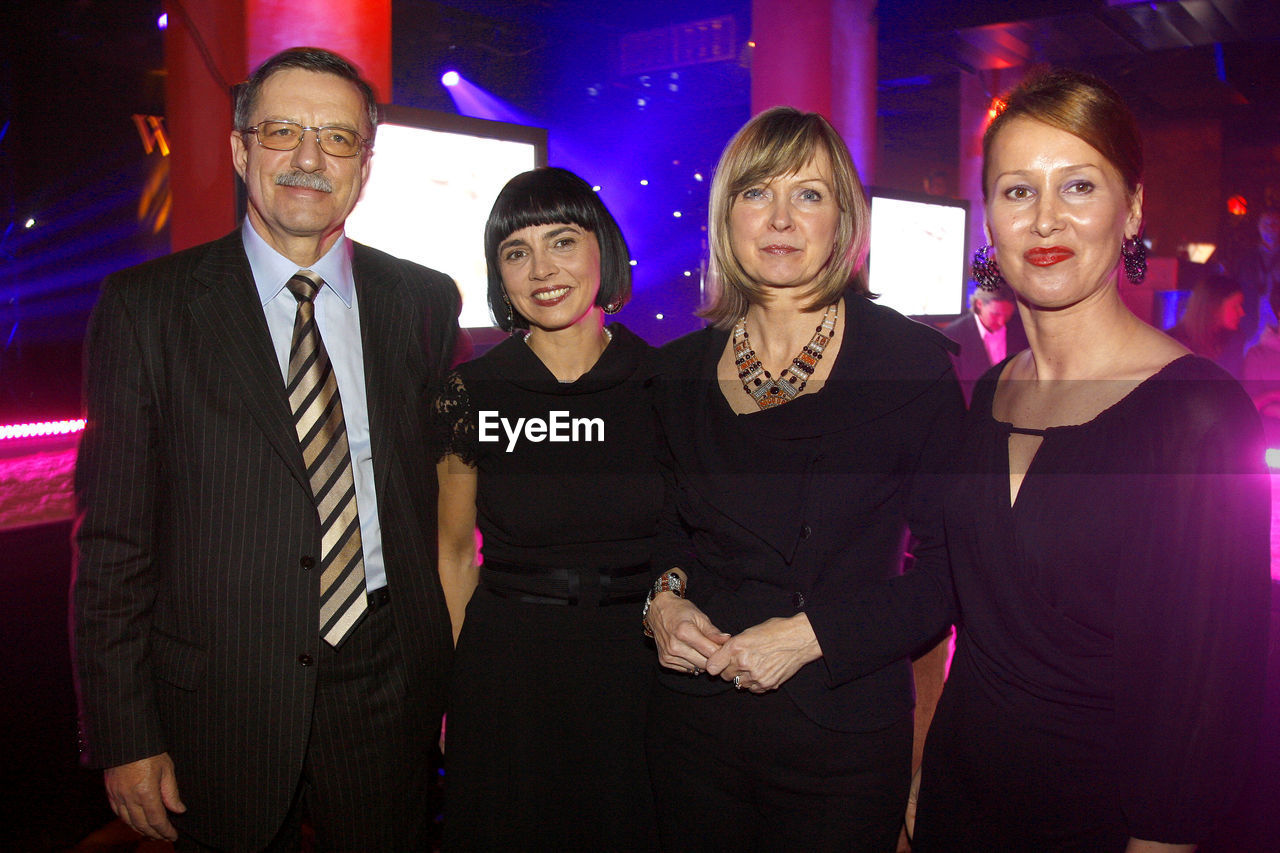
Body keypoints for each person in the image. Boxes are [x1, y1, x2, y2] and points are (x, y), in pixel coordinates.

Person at [71, 47, 461, 851]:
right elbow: (112, 542)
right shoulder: (149, 309)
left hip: (388, 681)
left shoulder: (423, 300)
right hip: (220, 694)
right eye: (282, 131)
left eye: (338, 138)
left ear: (366, 164)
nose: (310, 159)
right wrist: (125, 733)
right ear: (241, 148)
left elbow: (435, 490)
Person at [911, 69, 1270, 851]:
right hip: (958, 801)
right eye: (1016, 191)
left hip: (1100, 822)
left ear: (1132, 207)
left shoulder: (1198, 417)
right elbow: (964, 617)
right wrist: (921, 765)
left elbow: (1204, 701)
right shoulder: (992, 391)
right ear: (988, 220)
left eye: (1078, 186)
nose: (1045, 219)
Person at [643, 106, 966, 851]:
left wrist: (811, 634)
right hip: (694, 727)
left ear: (843, 219)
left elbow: (951, 571)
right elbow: (663, 531)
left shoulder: (909, 367)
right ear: (727, 217)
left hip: (843, 737)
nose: (782, 218)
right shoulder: (676, 372)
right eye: (757, 193)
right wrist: (662, 603)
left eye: (809, 195)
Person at [434, 167, 662, 850]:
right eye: (516, 251)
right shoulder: (466, 393)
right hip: (508, 672)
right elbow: (450, 549)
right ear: (498, 274)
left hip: (640, 667)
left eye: (562, 241)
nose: (541, 269)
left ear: (602, 249)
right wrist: (458, 683)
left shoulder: (667, 383)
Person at [942, 281, 1029, 404]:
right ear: (979, 304)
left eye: (1006, 315)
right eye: (995, 314)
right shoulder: (953, 336)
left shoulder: (1021, 328)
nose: (1001, 322)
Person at [1166, 273, 1246, 376]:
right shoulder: (1173, 344)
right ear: (1214, 307)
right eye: (1235, 306)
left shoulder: (1234, 341)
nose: (1242, 312)